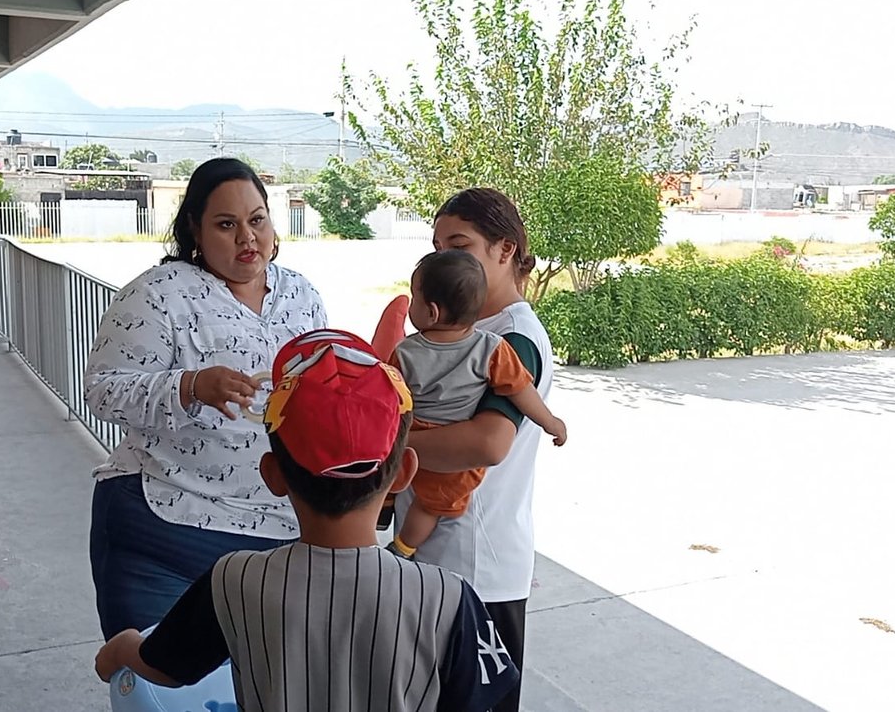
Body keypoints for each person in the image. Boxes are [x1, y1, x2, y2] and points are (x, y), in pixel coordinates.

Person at [94, 330, 520, 712]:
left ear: (273, 475)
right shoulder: (448, 597)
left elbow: (166, 668)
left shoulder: (233, 579)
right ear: (404, 473)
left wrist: (121, 651)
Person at [84, 157, 327, 641]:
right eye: (226, 224)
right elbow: (103, 389)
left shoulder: (302, 295)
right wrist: (190, 386)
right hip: (165, 529)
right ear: (195, 229)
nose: (247, 238)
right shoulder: (158, 293)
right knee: (166, 688)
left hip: (278, 534)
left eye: (257, 220)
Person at [381, 188, 555, 712]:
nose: (445, 260)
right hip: (438, 560)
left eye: (460, 244)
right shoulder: (460, 332)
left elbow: (486, 443)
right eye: (437, 247)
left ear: (505, 250)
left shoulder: (514, 338)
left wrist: (392, 442)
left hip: (478, 568)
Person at [385, 250, 566, 560]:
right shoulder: (492, 348)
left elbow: (392, 401)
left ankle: (387, 510)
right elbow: (521, 390)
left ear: (431, 312)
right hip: (454, 463)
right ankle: (403, 547)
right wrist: (550, 421)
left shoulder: (405, 352)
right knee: (430, 505)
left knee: (395, 477)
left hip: (414, 438)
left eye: (413, 298)